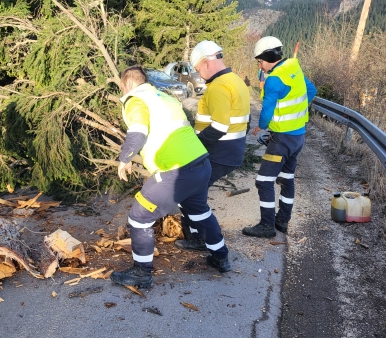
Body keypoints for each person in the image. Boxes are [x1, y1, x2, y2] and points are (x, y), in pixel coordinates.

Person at [110, 66, 231, 289]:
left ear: (126, 85)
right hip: (200, 163)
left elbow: (138, 130)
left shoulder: (135, 99)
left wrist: (125, 158)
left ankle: (142, 273)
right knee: (200, 212)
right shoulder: (163, 97)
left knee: (139, 216)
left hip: (176, 171)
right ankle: (221, 257)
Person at [174, 40, 250, 252]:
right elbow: (246, 120)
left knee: (190, 194)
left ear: (207, 63)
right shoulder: (235, 81)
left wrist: (194, 148)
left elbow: (218, 127)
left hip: (218, 151)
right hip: (231, 150)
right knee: (195, 193)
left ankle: (203, 239)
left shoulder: (219, 86)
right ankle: (199, 236)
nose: (199, 74)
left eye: (198, 69)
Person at [242, 36, 317, 238]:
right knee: (286, 178)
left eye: (260, 61)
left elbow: (266, 111)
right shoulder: (293, 68)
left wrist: (261, 126)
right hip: (298, 137)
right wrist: (297, 108)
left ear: (267, 57)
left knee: (264, 181)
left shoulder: (274, 79)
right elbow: (311, 90)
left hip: (281, 140)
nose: (260, 65)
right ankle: (282, 221)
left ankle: (267, 226)